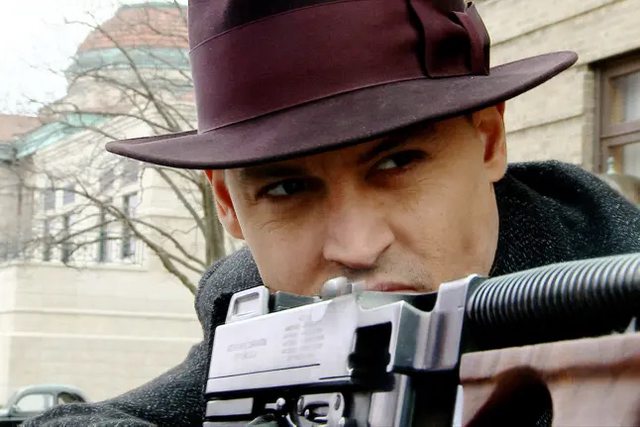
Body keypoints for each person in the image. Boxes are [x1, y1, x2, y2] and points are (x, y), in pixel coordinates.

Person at [26, 0, 640, 426]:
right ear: (228, 204)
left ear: (487, 141)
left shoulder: (613, 286)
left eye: (397, 162)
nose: (355, 245)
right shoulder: (259, 314)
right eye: (287, 188)